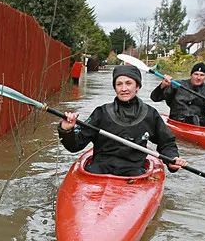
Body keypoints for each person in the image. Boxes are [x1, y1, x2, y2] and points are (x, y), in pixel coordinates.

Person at [58, 65, 187, 176]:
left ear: (137, 86)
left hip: (134, 170)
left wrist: (172, 160)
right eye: (119, 84)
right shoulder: (101, 112)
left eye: (129, 83)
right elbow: (75, 146)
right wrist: (66, 130)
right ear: (115, 88)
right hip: (100, 168)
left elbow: (166, 143)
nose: (124, 88)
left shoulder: (150, 114)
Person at [149, 62, 205, 127]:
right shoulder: (176, 85)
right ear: (191, 75)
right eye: (196, 74)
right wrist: (163, 85)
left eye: (202, 75)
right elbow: (155, 98)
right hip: (177, 121)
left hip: (199, 123)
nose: (198, 77)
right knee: (193, 119)